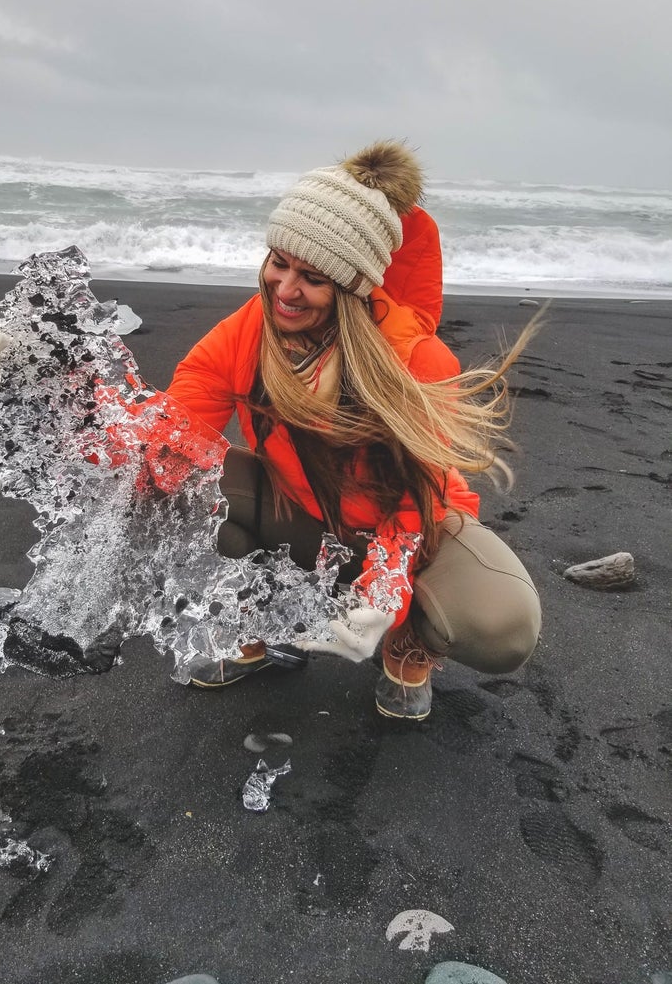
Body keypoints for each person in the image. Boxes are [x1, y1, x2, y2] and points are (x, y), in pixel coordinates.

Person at [165, 140, 541, 720]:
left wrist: (386, 584)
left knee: (502, 624)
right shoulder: (246, 331)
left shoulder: (416, 358)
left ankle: (406, 647)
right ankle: (260, 623)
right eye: (278, 261)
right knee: (188, 489)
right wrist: (62, 388)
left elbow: (423, 494)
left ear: (352, 286)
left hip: (413, 530)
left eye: (312, 277)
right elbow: (170, 435)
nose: (283, 290)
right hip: (304, 519)